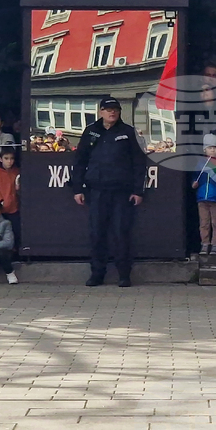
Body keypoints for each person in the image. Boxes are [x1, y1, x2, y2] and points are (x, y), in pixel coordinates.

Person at [70, 97, 147, 288]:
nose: (112, 112)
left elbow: (139, 163)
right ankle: (97, 274)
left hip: (122, 191)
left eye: (115, 109)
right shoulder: (91, 131)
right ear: (100, 112)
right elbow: (80, 161)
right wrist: (77, 188)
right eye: (108, 109)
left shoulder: (128, 132)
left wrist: (138, 190)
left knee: (121, 233)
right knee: (97, 234)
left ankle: (124, 275)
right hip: (96, 191)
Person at [192, 133, 216, 256]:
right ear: (205, 150)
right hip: (202, 198)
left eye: (215, 147)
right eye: (210, 148)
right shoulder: (200, 164)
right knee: (204, 223)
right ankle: (205, 244)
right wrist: (193, 184)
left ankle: (215, 245)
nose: (213, 150)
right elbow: (195, 178)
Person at [0, 147, 21, 248]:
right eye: (6, 158)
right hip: (1, 209)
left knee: (16, 231)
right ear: (1, 159)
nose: (9, 161)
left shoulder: (16, 171)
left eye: (11, 158)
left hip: (15, 207)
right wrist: (1, 200)